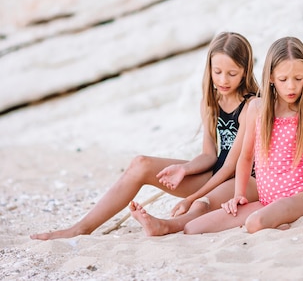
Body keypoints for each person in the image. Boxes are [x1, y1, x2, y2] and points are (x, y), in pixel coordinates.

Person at [30, 31, 259, 240]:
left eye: (232, 74)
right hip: (217, 172)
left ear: (245, 72)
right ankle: (81, 228)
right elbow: (210, 155)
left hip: (247, 179)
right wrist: (185, 169)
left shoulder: (250, 105)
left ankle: (164, 226)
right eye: (217, 72)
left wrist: (190, 197)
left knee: (201, 203)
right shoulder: (210, 103)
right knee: (141, 164)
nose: (223, 81)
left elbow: (232, 166)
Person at [180, 36, 303, 235]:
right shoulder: (256, 108)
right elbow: (245, 158)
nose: (291, 86)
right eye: (283, 79)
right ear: (271, 77)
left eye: (298, 78)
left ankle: (279, 220)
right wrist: (239, 194)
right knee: (193, 228)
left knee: (255, 222)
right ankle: (277, 220)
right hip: (267, 201)